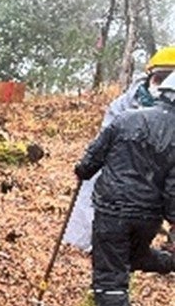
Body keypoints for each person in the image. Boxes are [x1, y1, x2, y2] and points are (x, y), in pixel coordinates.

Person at [74, 70, 175, 306]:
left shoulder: (127, 118)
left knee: (110, 267)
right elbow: (173, 188)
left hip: (112, 208)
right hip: (148, 215)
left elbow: (95, 154)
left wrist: (83, 170)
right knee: (133, 257)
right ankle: (169, 263)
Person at [64, 46, 175, 251]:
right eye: (160, 77)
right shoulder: (125, 107)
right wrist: (86, 168)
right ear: (149, 77)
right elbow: (103, 146)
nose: (162, 86)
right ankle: (90, 239)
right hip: (123, 183)